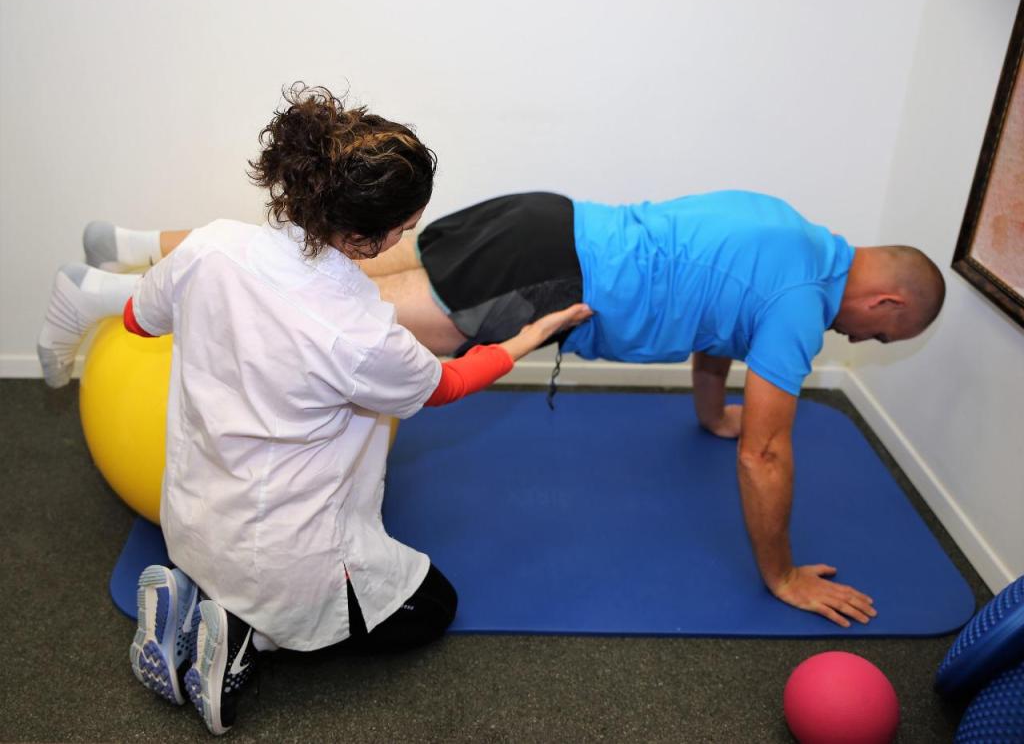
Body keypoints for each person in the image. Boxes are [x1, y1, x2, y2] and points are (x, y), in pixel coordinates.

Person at [39, 166, 945, 630]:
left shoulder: (789, 232)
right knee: (320, 305)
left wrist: (710, 412)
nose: (864, 341)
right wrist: (781, 574)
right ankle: (105, 299)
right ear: (888, 306)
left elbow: (721, 317)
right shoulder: (801, 304)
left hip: (539, 219)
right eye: (880, 335)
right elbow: (769, 452)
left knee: (321, 260)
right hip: (545, 276)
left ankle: (131, 246)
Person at [40, 84, 590, 736]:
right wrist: (525, 337)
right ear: (362, 237)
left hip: (190, 520)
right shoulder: (361, 332)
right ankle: (244, 637)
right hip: (286, 560)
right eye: (405, 229)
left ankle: (192, 597)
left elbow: (137, 317)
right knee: (434, 608)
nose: (409, 236)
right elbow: (446, 385)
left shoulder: (211, 246)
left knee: (245, 558)